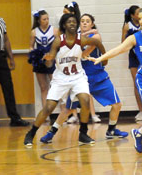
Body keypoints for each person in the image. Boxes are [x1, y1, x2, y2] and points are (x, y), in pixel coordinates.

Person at [91, 7, 142, 157]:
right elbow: (119, 49)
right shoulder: (135, 37)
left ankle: (139, 133)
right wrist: (100, 58)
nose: (140, 21)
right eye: (139, 18)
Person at [39, 14, 128, 144]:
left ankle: (112, 130)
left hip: (98, 77)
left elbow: (86, 51)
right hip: (80, 79)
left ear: (92, 24)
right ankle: (51, 132)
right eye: (82, 21)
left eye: (88, 21)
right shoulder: (72, 38)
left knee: (117, 104)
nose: (85, 23)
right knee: (67, 109)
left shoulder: (95, 36)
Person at [23, 13, 107, 147]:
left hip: (77, 76)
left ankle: (83, 133)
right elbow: (51, 57)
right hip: (61, 78)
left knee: (85, 100)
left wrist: (104, 58)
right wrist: (48, 59)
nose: (73, 24)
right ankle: (31, 133)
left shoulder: (81, 39)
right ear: (64, 25)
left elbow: (97, 42)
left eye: (74, 22)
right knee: (49, 107)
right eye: (69, 22)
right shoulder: (58, 41)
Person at [121, 5, 142, 122]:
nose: (140, 14)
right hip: (134, 57)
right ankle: (141, 110)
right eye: (137, 13)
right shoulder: (127, 26)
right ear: (132, 15)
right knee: (137, 83)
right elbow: (123, 44)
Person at [29, 9, 58, 107]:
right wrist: (33, 55)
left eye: (47, 19)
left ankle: (63, 112)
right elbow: (31, 46)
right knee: (43, 88)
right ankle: (46, 113)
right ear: (39, 21)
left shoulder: (54, 30)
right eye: (44, 19)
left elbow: (59, 46)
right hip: (40, 61)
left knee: (56, 86)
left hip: (52, 60)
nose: (46, 21)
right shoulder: (34, 32)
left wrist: (55, 57)